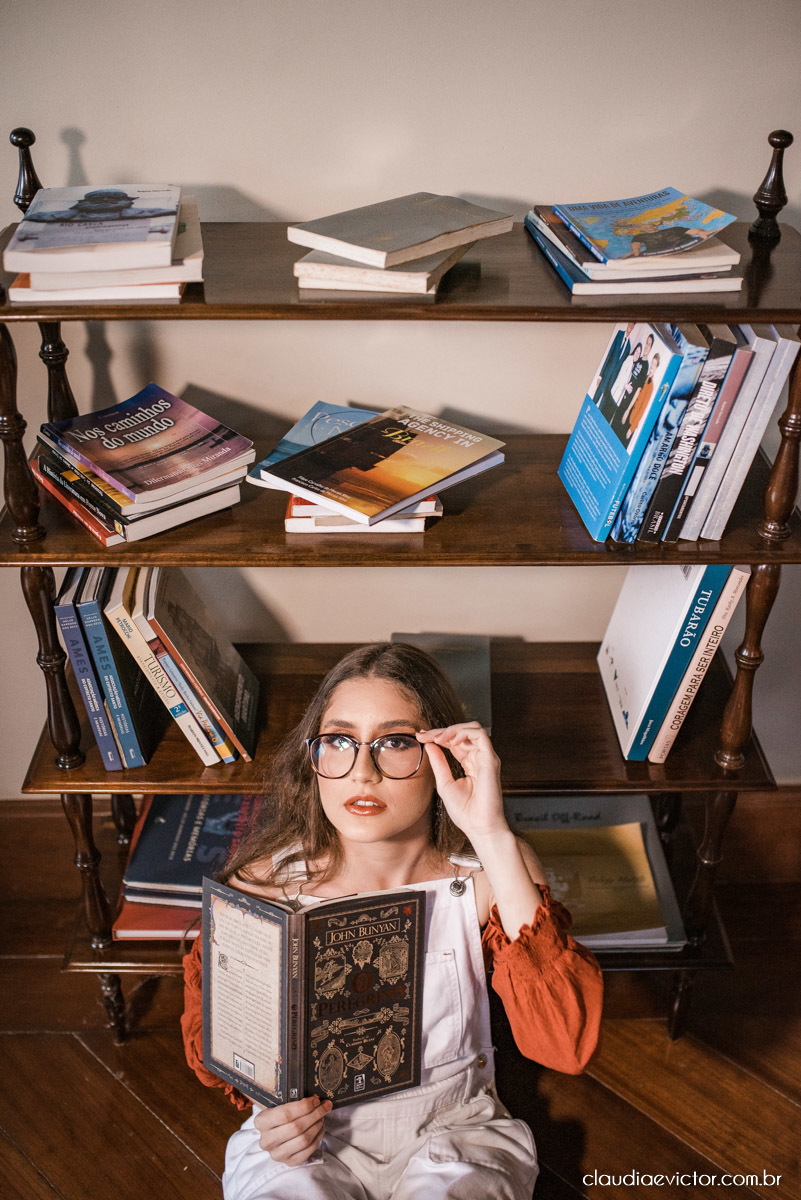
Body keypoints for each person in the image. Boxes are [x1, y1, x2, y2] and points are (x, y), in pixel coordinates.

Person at [182, 642, 603, 1200]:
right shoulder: (261, 889)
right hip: (306, 1145)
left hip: (455, 1134)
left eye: (396, 742)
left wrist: (491, 832)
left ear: (442, 756)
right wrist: (274, 1119)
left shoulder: (485, 873)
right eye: (339, 741)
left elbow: (565, 1043)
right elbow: (221, 1054)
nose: (362, 771)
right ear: (315, 758)